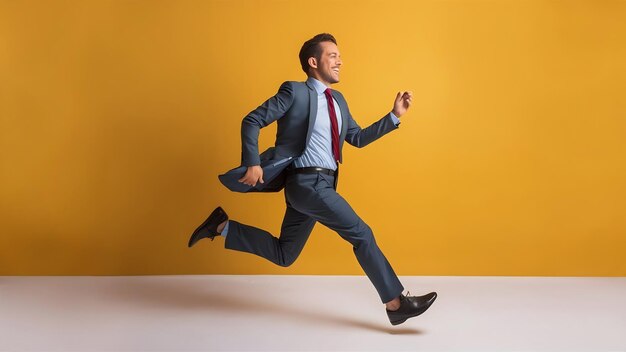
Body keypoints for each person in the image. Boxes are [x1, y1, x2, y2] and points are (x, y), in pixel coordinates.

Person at [188, 33, 437, 326]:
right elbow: (252, 120)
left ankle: (221, 226)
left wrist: (394, 116)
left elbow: (355, 138)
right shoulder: (294, 92)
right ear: (313, 62)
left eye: (339, 56)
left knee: (285, 253)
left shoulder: (339, 100)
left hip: (319, 188)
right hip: (307, 183)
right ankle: (396, 303)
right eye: (333, 56)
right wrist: (252, 163)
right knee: (361, 233)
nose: (340, 61)